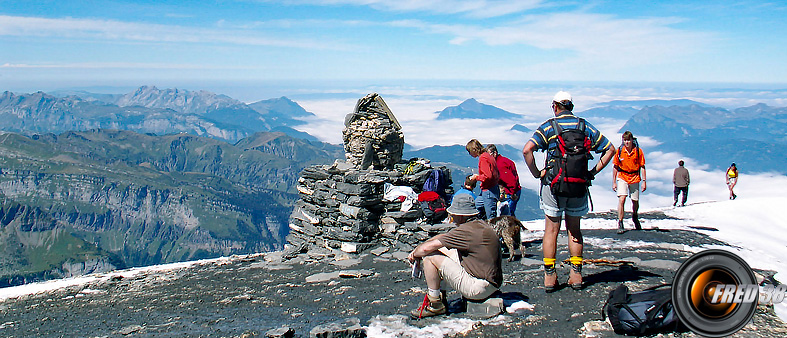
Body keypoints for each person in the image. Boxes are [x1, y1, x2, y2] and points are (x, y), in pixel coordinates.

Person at [522, 91, 614, 292]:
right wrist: (591, 173)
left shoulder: (549, 126)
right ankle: (576, 274)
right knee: (575, 231)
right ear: (571, 106)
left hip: (554, 186)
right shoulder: (584, 126)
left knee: (551, 231)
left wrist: (538, 173)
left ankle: (550, 277)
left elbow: (527, 150)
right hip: (578, 185)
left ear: (555, 106)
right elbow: (610, 149)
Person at [407, 194, 503, 319]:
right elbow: (442, 239)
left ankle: (435, 303)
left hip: (479, 288)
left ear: (461, 215)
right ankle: (439, 297)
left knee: (430, 256)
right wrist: (420, 247)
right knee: (442, 250)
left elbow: (425, 250)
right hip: (493, 283)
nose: (452, 217)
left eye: (453, 215)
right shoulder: (480, 226)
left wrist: (414, 254)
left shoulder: (465, 231)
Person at [612, 131, 646, 234]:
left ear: (632, 140)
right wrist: (614, 182)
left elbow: (642, 166)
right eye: (625, 140)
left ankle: (635, 215)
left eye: (628, 140)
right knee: (622, 199)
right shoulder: (620, 151)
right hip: (622, 176)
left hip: (634, 177)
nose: (627, 142)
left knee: (635, 201)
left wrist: (644, 181)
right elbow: (615, 166)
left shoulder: (638, 151)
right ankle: (620, 222)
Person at [466, 139, 500, 220]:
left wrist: (476, 177)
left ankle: (492, 231)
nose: (470, 154)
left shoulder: (483, 158)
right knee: (476, 206)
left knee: (491, 217)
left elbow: (488, 176)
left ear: (474, 150)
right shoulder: (488, 156)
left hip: (489, 191)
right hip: (492, 188)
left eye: (470, 151)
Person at [486, 144, 522, 217]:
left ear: (495, 153)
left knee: (506, 216)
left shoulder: (500, 165)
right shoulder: (504, 161)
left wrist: (512, 193)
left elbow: (510, 180)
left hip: (510, 193)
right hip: (513, 191)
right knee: (509, 214)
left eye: (489, 155)